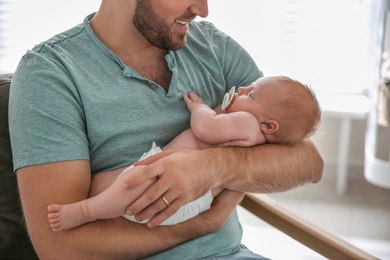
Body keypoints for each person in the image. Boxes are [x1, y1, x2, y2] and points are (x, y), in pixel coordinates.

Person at [9, 1, 323, 259]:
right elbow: (60, 247)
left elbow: (309, 162)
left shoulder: (212, 47)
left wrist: (213, 168)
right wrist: (203, 223)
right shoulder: (50, 73)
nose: (202, 9)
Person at [47, 75, 321, 232]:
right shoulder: (256, 131)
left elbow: (206, 129)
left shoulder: (247, 123)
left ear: (269, 125)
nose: (240, 90)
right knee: (107, 186)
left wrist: (200, 108)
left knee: (126, 187)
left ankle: (85, 211)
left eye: (251, 95)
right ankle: (98, 204)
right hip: (185, 195)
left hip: (177, 188)